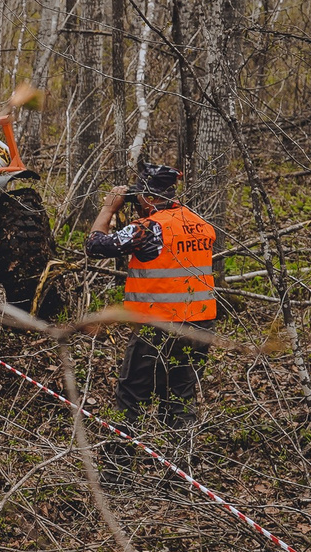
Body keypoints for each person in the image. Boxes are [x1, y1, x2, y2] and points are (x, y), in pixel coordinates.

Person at [85, 162, 217, 424]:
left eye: (140, 196)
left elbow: (95, 245)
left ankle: (118, 462)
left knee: (130, 394)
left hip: (157, 326)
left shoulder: (148, 229)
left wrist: (109, 208)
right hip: (200, 325)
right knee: (181, 397)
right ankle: (179, 460)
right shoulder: (200, 224)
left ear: (151, 197)